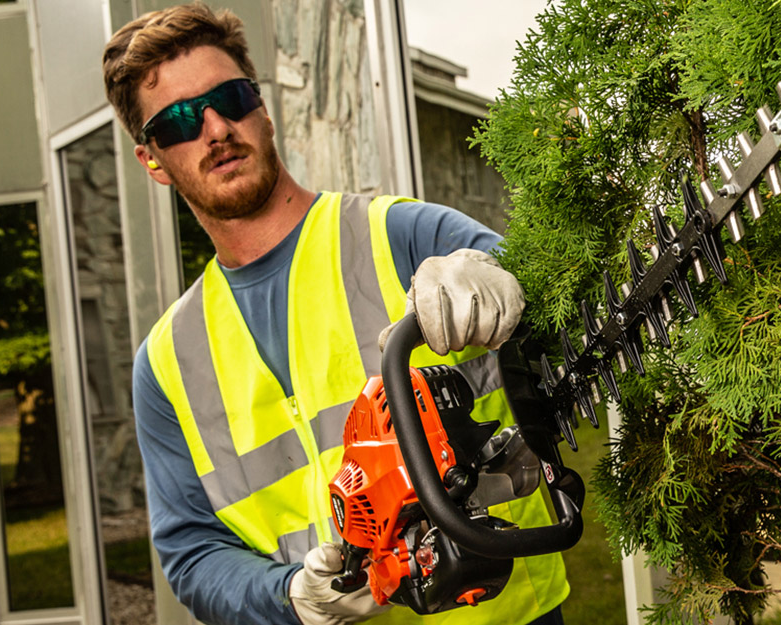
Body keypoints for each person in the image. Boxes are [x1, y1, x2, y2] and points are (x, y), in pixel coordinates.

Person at [102, 3, 569, 625]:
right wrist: (289, 595)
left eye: (231, 98)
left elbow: (551, 293)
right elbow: (191, 551)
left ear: (262, 110)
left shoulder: (399, 234)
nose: (215, 128)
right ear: (152, 159)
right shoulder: (166, 363)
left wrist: (493, 273)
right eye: (181, 120)